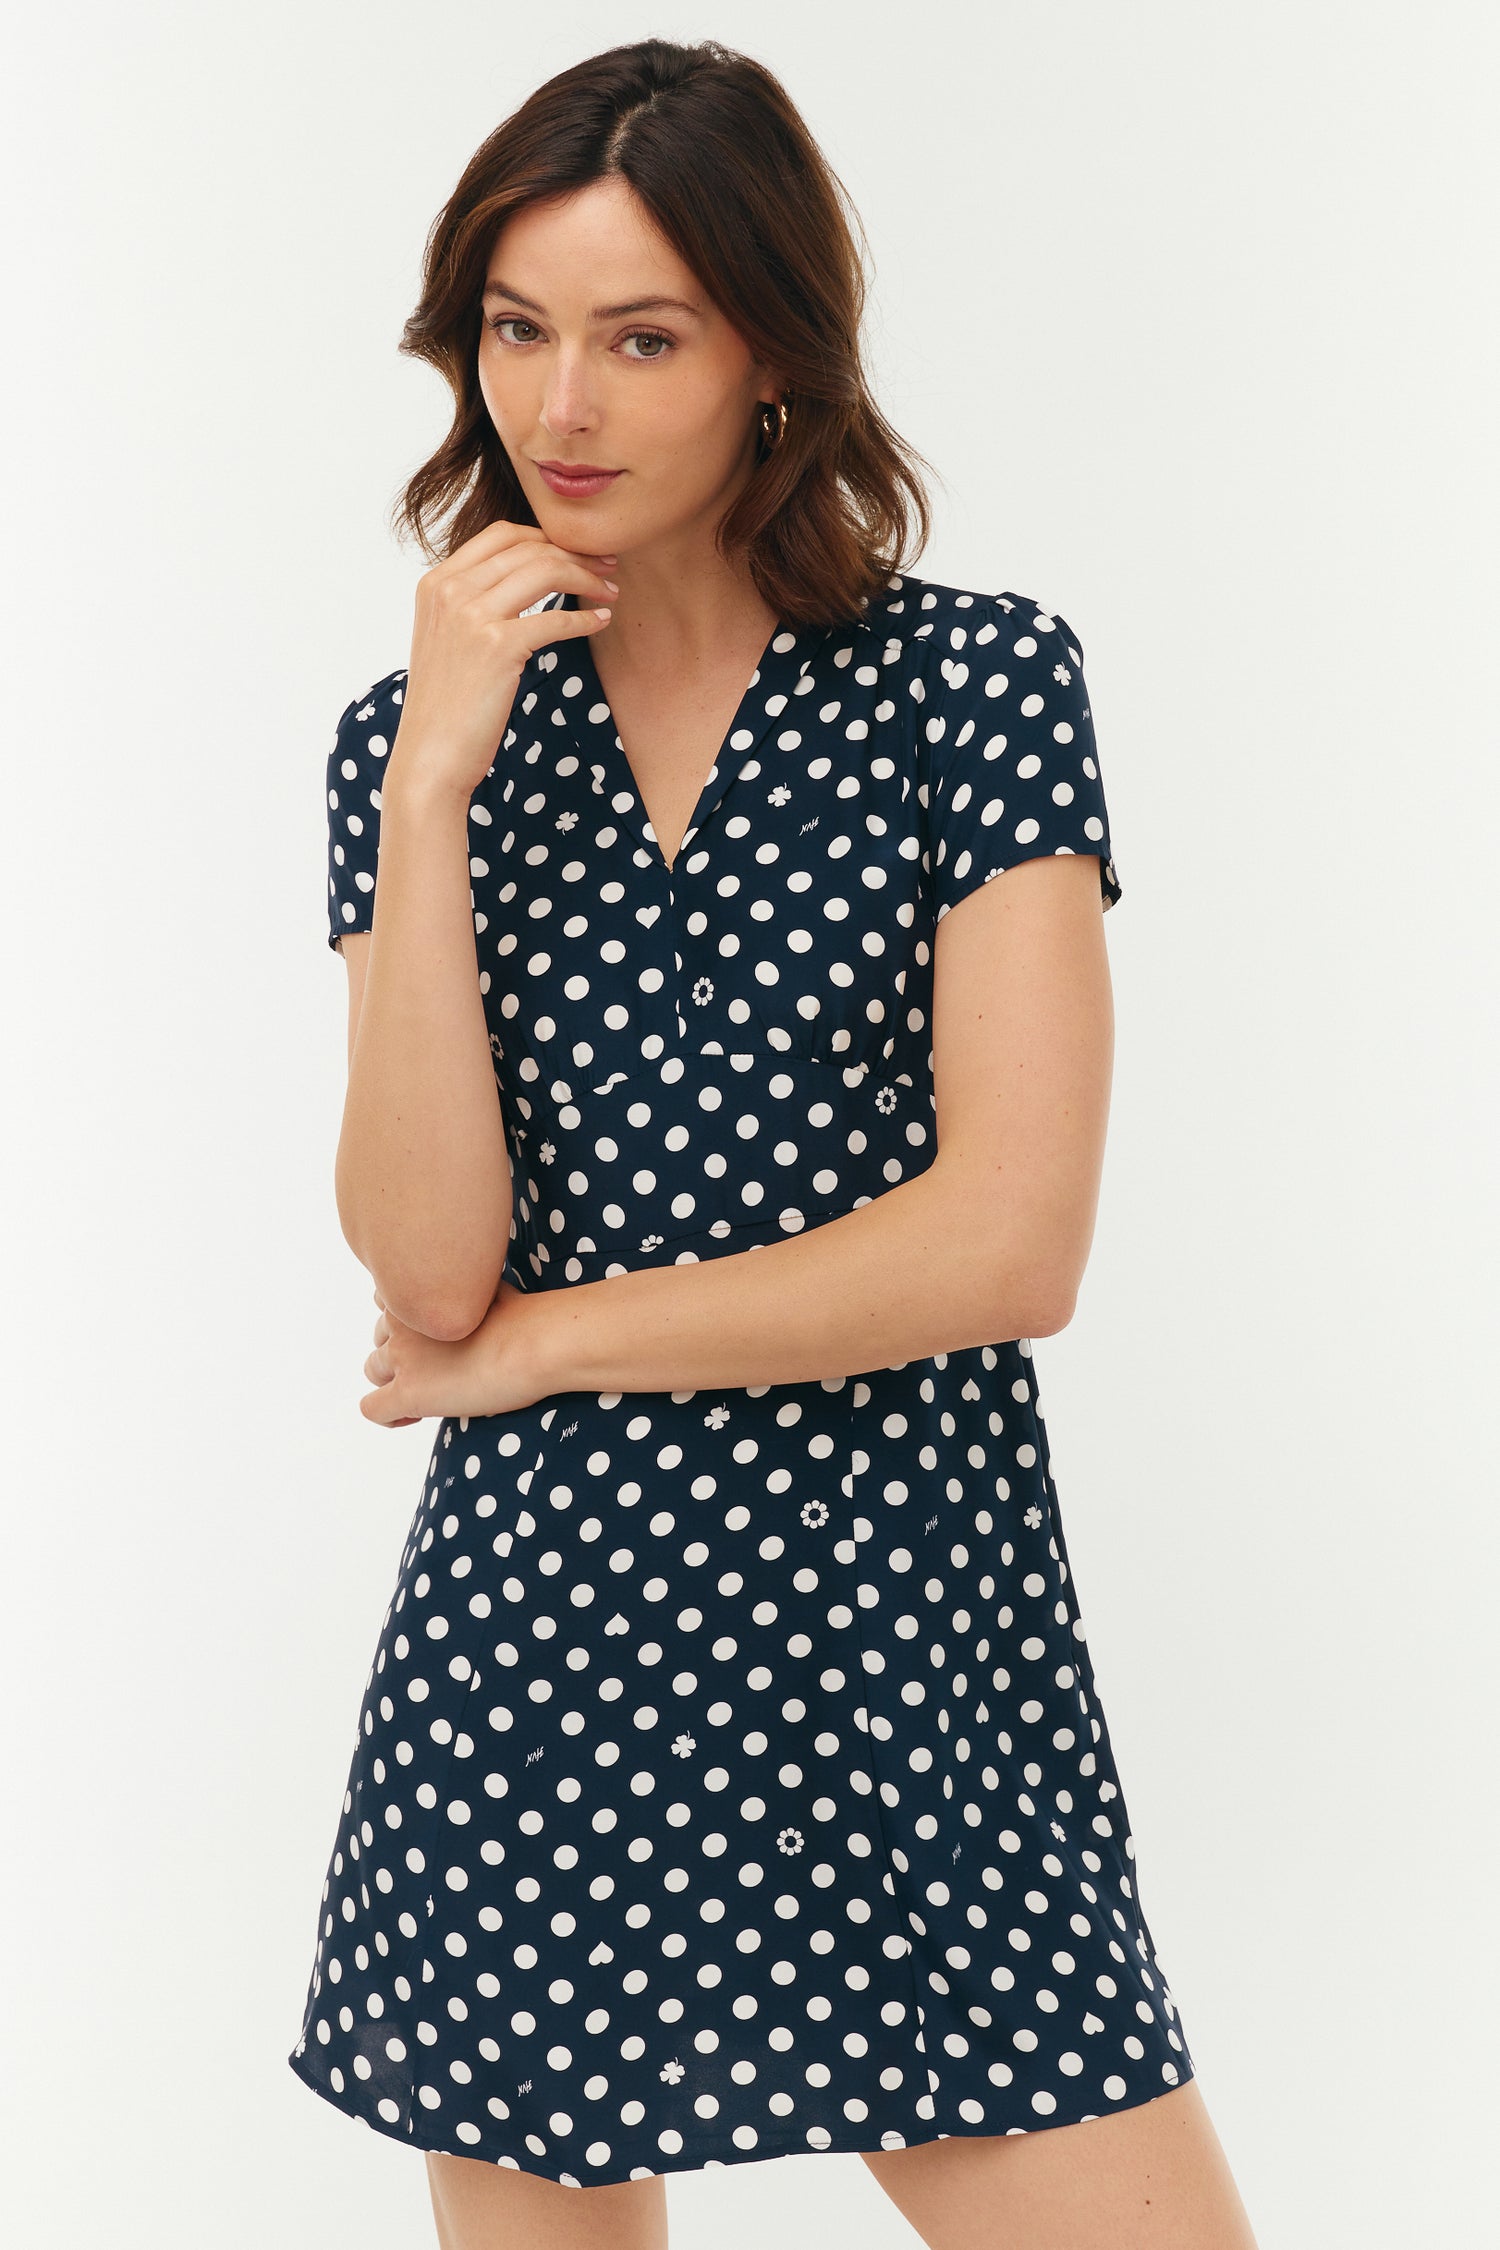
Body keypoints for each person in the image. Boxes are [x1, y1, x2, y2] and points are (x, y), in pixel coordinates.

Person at [287, 36, 1260, 2250]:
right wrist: (435, 788)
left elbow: (1011, 1242)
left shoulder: (971, 690)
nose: (566, 406)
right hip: (545, 1646)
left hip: (903, 1611)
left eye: (644, 336)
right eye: (519, 331)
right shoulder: (409, 746)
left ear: (775, 364)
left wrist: (545, 1352)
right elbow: (428, 1273)